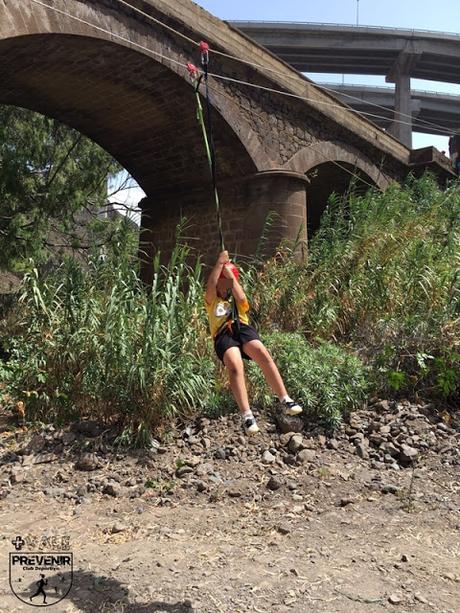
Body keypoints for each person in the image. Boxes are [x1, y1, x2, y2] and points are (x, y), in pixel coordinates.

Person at [204, 250, 303, 435]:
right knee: (234, 364)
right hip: (223, 335)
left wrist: (230, 276)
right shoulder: (212, 301)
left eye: (228, 283)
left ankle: (285, 399)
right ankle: (247, 416)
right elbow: (210, 285)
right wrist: (219, 264)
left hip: (242, 328)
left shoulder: (238, 301)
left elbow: (241, 297)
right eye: (222, 283)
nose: (223, 287)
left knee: (262, 352)